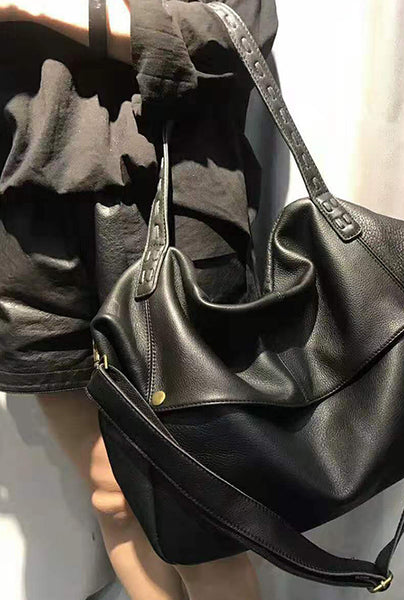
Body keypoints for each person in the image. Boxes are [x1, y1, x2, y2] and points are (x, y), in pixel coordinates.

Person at [0, 1, 277, 598]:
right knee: (113, 497)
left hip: (174, 210)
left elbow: (228, 37)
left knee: (199, 513)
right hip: (28, 225)